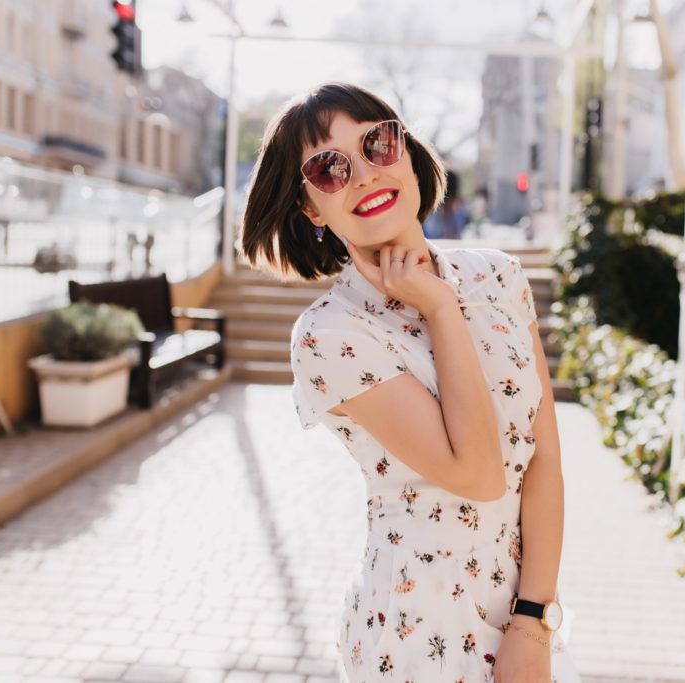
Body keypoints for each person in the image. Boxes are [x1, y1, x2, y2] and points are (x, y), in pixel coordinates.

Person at [240, 82, 579, 683]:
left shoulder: (498, 276)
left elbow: (544, 458)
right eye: (329, 168)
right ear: (310, 209)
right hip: (417, 637)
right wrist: (441, 312)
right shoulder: (328, 336)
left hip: (528, 615)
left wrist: (533, 622)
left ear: (406, 151)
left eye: (377, 143)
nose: (366, 175)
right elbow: (478, 475)